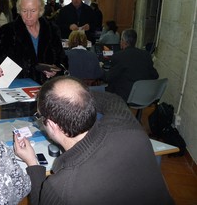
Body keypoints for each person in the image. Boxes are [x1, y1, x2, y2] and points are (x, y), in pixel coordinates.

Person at [14, 76, 174, 205]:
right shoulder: (129, 126)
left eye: (40, 116)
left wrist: (32, 162)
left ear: (53, 125)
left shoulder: (60, 188)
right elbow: (114, 100)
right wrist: (77, 97)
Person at [0, 0, 68, 85]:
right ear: (19, 10)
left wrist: (56, 71)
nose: (28, 16)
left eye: (33, 11)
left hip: (46, 89)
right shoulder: (7, 32)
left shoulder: (52, 30)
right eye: (24, 11)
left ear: (40, 10)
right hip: (18, 91)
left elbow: (62, 60)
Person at [106, 29, 159, 101]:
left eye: (121, 40)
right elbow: (155, 75)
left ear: (124, 41)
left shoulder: (118, 56)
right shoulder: (146, 55)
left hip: (125, 97)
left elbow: (109, 77)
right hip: (145, 97)